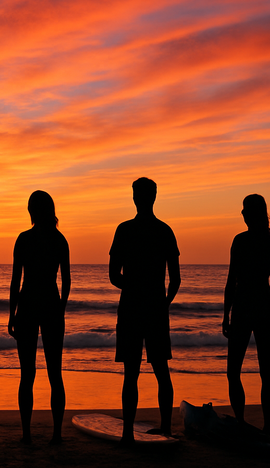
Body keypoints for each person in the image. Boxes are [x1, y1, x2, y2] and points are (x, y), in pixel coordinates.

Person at [109, 177, 180, 444]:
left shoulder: (124, 230)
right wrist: (164, 302)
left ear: (136, 198)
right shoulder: (164, 231)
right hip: (154, 309)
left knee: (132, 372)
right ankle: (166, 428)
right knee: (161, 370)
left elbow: (114, 276)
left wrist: (134, 286)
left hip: (131, 307)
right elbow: (175, 279)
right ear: (154, 197)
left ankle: (129, 431)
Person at [8, 191, 71, 445]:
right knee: (55, 373)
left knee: (27, 374)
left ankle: (27, 433)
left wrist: (11, 313)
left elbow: (16, 281)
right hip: (51, 304)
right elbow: (66, 281)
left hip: (28, 304)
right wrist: (61, 307)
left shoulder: (24, 239)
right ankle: (56, 434)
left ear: (32, 212)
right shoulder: (59, 240)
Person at [222, 194, 270, 435]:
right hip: (263, 307)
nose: (242, 213)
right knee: (266, 370)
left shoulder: (241, 240)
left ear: (253, 213)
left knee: (234, 370)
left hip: (244, 306)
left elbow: (231, 281)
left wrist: (226, 313)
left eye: (245, 209)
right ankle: (266, 428)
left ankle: (241, 421)